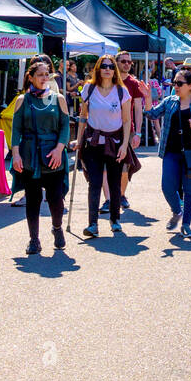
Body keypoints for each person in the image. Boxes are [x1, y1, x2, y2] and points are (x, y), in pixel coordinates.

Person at [10, 61, 70, 254]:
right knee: (33, 199)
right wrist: (16, 155)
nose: (45, 78)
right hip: (30, 156)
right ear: (31, 77)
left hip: (53, 154)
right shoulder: (22, 100)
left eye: (47, 74)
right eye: (41, 74)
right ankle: (34, 239)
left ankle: (57, 228)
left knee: (55, 199)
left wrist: (59, 149)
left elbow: (65, 127)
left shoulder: (58, 98)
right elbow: (16, 129)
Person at [148, 65, 191, 238]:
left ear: (190, 85)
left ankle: (186, 224)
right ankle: (177, 211)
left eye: (180, 83)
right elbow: (152, 114)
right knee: (167, 187)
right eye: (174, 83)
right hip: (171, 152)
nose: (175, 86)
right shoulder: (170, 101)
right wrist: (147, 96)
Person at [77, 54, 133, 237]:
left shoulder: (122, 91)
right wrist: (78, 141)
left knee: (114, 183)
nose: (107, 69)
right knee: (94, 182)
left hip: (115, 143)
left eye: (110, 66)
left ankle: (115, 219)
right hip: (93, 142)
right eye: (104, 66)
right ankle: (92, 223)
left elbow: (126, 120)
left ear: (114, 69)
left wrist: (125, 144)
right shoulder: (89, 88)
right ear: (98, 69)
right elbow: (83, 117)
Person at [110, 52, 146, 212]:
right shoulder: (108, 80)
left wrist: (138, 133)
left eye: (129, 62)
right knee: (108, 166)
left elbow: (138, 109)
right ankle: (110, 198)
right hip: (107, 129)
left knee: (125, 166)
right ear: (116, 62)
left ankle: (121, 195)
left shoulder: (133, 83)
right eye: (123, 61)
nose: (127, 64)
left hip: (127, 130)